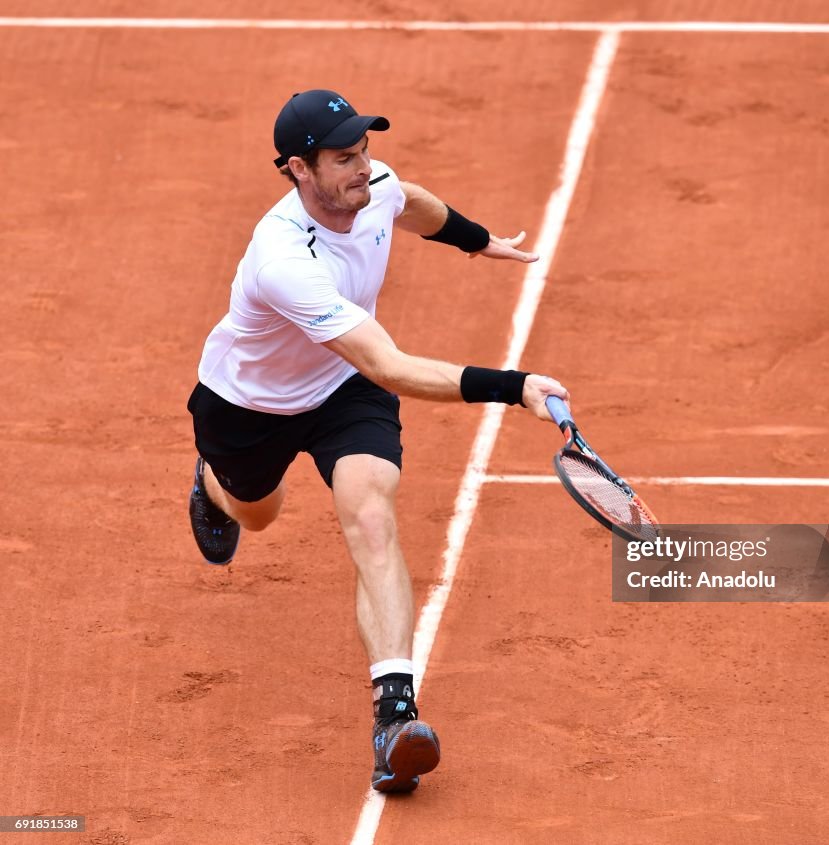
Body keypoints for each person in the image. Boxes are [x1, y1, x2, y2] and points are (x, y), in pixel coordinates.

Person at [186, 89, 568, 794]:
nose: (362, 167)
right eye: (342, 158)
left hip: (342, 386)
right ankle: (212, 481)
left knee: (371, 516)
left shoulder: (374, 184)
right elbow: (391, 366)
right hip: (250, 406)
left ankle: (395, 714)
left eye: (362, 149)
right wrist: (514, 386)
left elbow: (412, 201)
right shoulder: (283, 257)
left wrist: (477, 239)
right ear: (298, 170)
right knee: (255, 513)